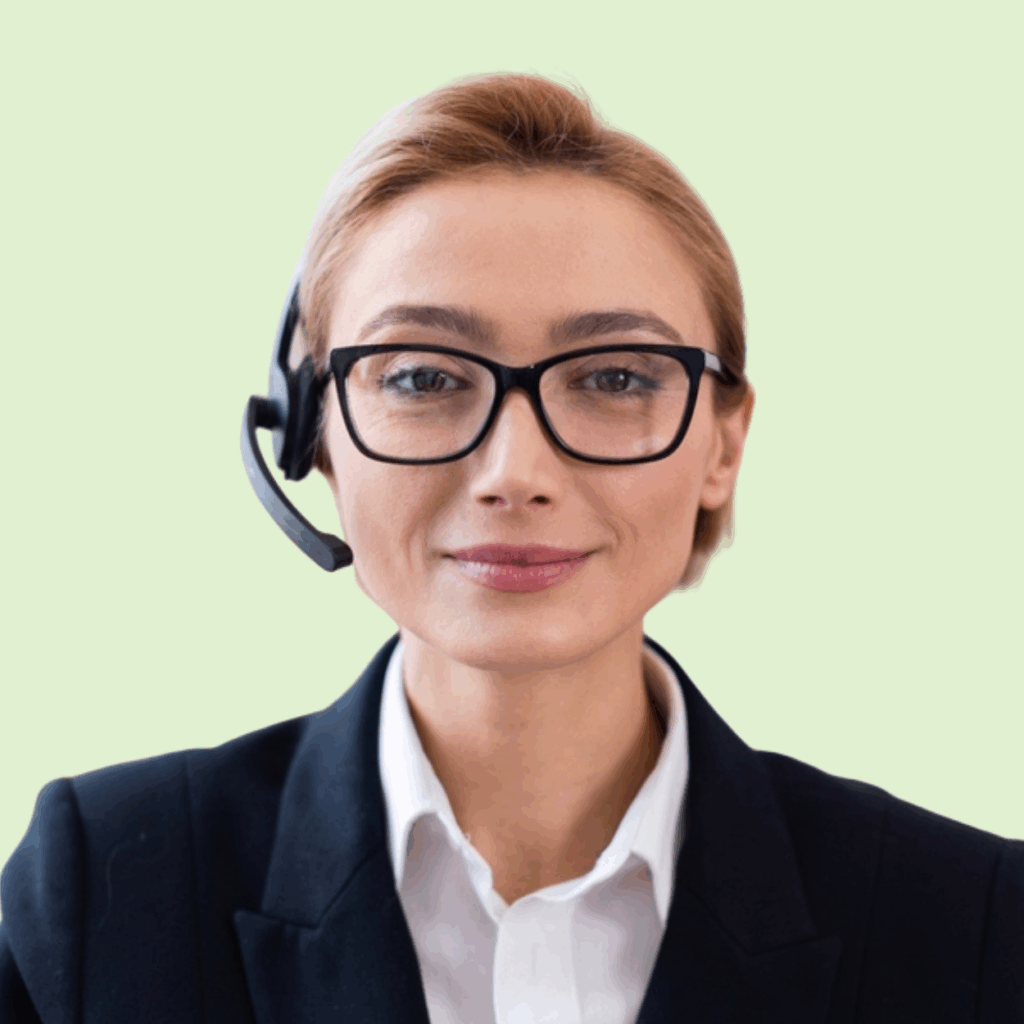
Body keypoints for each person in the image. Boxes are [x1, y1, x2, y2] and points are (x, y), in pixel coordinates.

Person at [1, 72, 1021, 1024]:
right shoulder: (100, 891)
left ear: (723, 443)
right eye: (421, 377)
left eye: (616, 377)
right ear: (309, 431)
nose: (513, 470)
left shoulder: (970, 921)